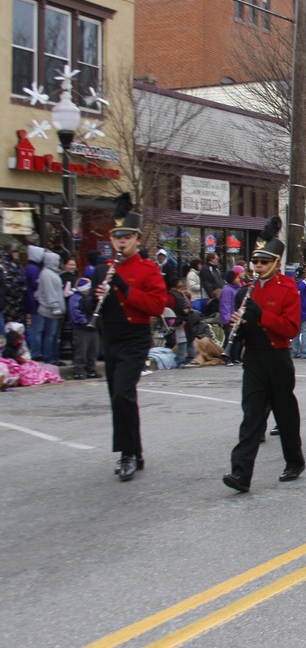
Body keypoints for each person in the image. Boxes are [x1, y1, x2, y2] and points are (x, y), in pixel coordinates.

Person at [222, 216, 306, 494]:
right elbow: (245, 326)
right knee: (251, 416)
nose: (258, 267)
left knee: (285, 414)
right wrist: (237, 328)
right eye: (256, 262)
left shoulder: (287, 289)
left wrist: (262, 316)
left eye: (264, 262)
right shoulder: (247, 291)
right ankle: (241, 472)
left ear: (276, 263)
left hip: (278, 358)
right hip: (254, 359)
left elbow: (291, 329)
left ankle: (294, 461)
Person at [89, 194, 167, 481]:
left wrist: (124, 288)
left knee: (123, 392)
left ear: (136, 239)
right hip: (110, 337)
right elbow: (88, 306)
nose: (121, 241)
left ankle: (128, 454)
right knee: (118, 398)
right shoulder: (102, 269)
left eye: (126, 237)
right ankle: (135, 450)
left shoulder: (147, 269)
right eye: (117, 236)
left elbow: (156, 306)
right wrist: (95, 298)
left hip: (135, 337)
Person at [35, 251, 66, 365]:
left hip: (56, 311)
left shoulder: (52, 273)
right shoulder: (47, 274)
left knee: (54, 336)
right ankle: (50, 357)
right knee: (51, 335)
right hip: (51, 311)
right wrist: (54, 305)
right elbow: (50, 292)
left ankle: (54, 356)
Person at [68, 278, 100, 379]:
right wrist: (85, 321)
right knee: (81, 351)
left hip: (92, 327)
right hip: (81, 328)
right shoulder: (75, 298)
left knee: (93, 350)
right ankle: (79, 371)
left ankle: (91, 369)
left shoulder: (89, 297)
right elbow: (75, 313)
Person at [291, 266, 306, 359]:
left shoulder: (292, 283)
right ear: (303, 274)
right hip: (304, 310)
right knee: (305, 331)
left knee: (295, 332)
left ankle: (294, 351)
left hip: (294, 311)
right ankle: (304, 352)